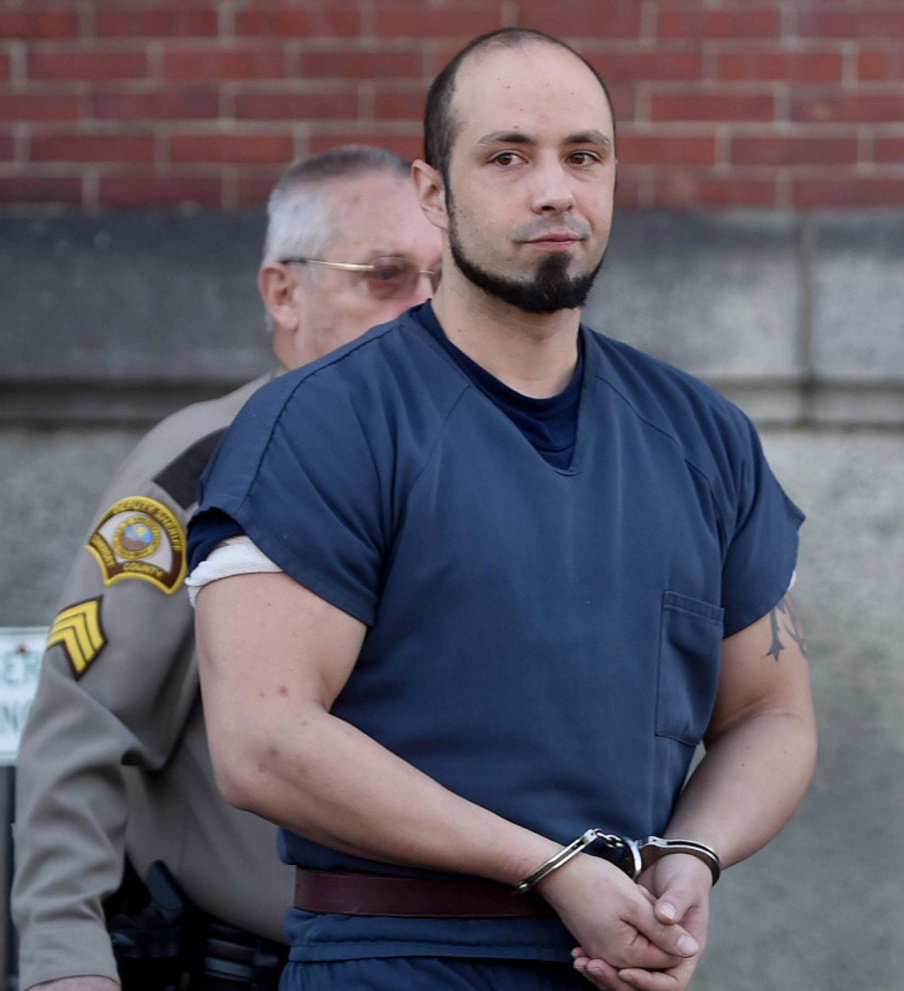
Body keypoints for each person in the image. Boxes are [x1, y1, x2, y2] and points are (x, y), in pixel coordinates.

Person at [187, 28, 817, 991]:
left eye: (584, 156)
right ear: (434, 192)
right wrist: (548, 864)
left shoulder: (701, 435)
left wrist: (691, 857)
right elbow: (263, 740)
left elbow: (771, 711)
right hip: (395, 960)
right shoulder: (326, 422)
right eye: (508, 155)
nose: (555, 189)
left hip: (624, 959)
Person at [10, 144, 443, 991]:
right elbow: (84, 727)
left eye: (441, 277)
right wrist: (65, 961)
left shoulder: (468, 466)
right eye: (385, 277)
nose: (425, 309)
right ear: (284, 292)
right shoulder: (204, 468)